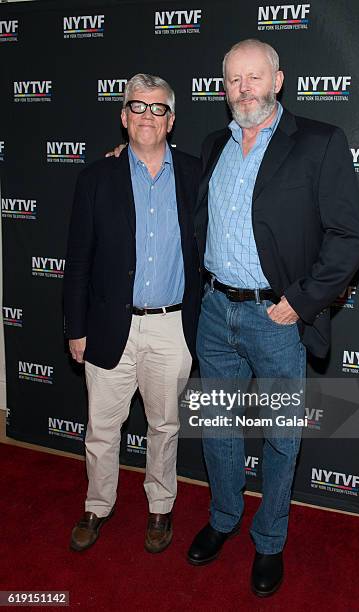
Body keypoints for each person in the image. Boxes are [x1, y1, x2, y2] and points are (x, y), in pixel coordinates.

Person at [186, 39, 359, 597]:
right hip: (215, 311)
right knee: (218, 427)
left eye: (254, 77)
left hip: (276, 317)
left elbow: (349, 236)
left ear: (278, 80)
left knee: (282, 435)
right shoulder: (214, 143)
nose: (244, 88)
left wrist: (301, 300)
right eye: (233, 80)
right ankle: (223, 519)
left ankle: (269, 541)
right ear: (224, 88)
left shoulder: (319, 142)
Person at [64, 73, 200, 554]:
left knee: (165, 426)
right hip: (107, 325)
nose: (147, 115)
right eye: (137, 107)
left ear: (171, 119)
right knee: (102, 428)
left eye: (158, 108)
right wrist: (75, 329)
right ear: (123, 117)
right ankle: (97, 505)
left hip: (172, 327)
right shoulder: (96, 177)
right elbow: (78, 259)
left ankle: (160, 507)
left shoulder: (195, 174)